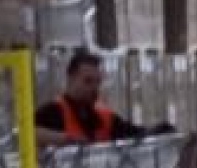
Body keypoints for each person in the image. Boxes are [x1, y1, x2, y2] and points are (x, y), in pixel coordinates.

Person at [35, 51, 163, 147]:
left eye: (98, 82)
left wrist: (161, 130)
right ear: (70, 79)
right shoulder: (52, 113)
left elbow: (136, 133)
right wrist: (65, 139)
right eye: (88, 81)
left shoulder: (104, 117)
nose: (94, 88)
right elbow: (27, 135)